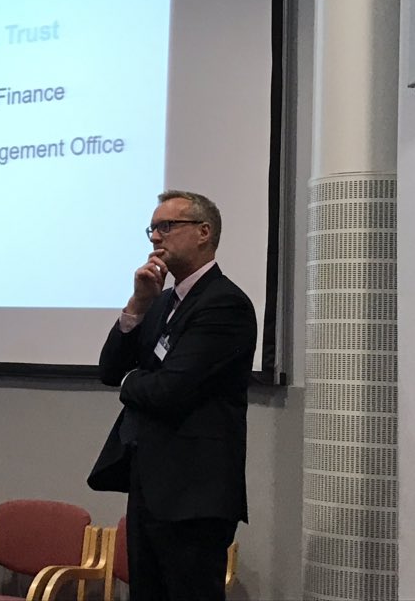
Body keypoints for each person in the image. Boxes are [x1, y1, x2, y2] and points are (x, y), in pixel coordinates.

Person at [87, 191, 256, 601]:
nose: (155, 238)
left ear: (204, 232)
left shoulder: (225, 304)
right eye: (152, 229)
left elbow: (169, 390)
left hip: (194, 494)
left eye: (167, 226)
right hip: (149, 485)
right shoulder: (161, 302)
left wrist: (132, 382)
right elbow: (110, 370)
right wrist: (138, 303)